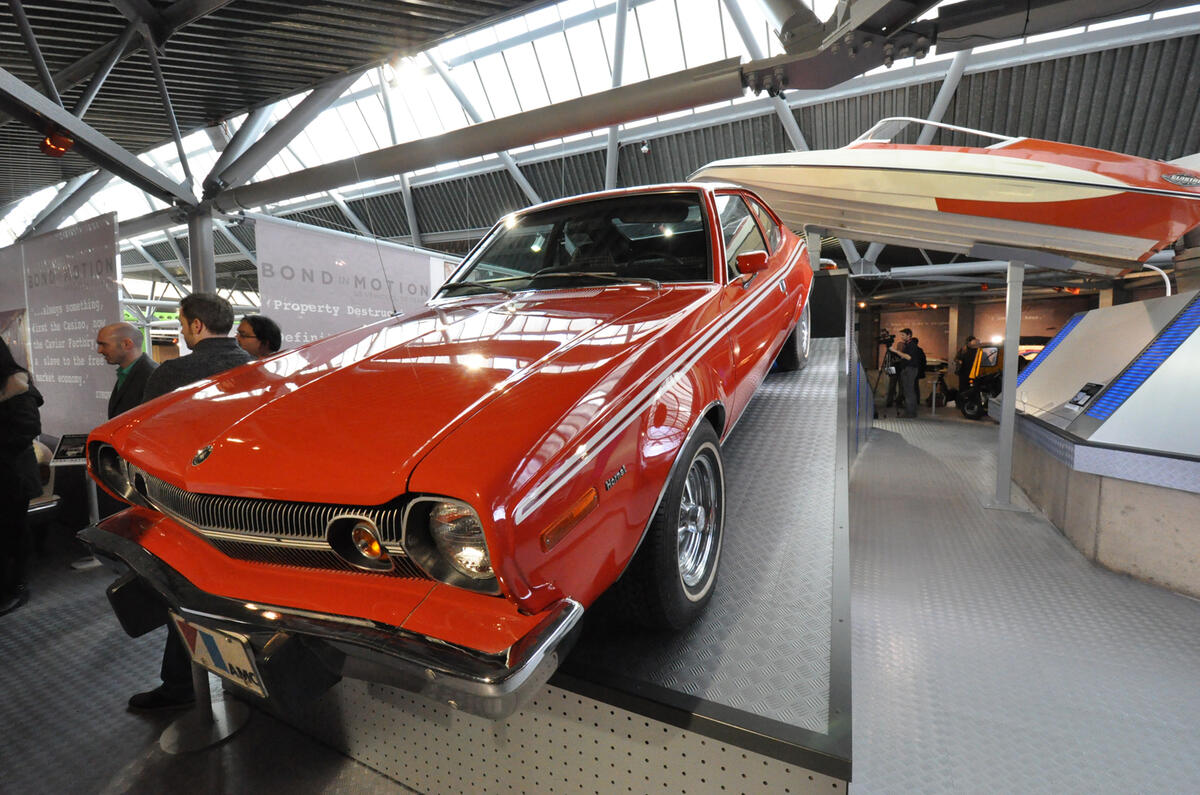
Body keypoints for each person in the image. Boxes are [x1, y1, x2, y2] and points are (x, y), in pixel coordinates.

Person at [129, 292, 253, 712]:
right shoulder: (261, 369)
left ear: (196, 325)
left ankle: (181, 684)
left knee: (181, 593)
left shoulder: (172, 374)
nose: (182, 332)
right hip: (254, 505)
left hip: (189, 504)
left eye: (182, 325)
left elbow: (145, 437)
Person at [0, 338, 43, 616]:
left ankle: (15, 586)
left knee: (11, 532)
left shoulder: (16, 384)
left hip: (11, 474)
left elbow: (28, 428)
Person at [96, 322, 158, 418]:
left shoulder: (153, 376)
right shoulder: (126, 373)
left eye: (104, 345)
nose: (99, 350)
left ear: (127, 344)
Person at [888, 328, 919, 418]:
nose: (901, 337)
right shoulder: (907, 345)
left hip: (910, 369)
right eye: (901, 335)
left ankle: (910, 413)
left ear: (909, 335)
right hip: (906, 369)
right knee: (908, 391)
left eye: (903, 335)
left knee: (909, 392)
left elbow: (909, 357)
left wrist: (895, 351)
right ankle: (910, 412)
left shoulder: (912, 345)